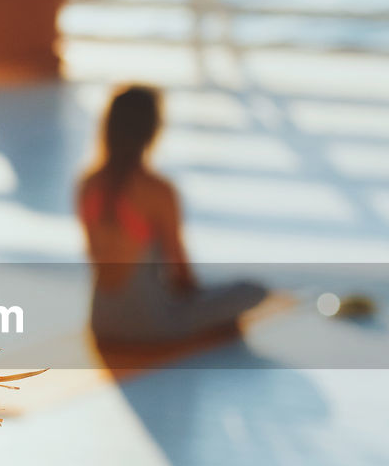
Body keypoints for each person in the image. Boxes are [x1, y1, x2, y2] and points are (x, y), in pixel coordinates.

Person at [77, 84, 270, 347]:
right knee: (253, 291)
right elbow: (181, 273)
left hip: (101, 321)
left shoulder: (88, 183)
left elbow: (95, 257)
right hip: (152, 325)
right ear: (151, 130)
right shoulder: (157, 190)